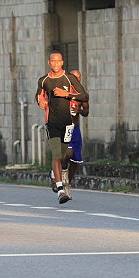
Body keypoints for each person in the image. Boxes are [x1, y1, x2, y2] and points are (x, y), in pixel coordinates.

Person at [36, 52, 88, 204]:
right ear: (49, 62)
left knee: (67, 155)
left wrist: (67, 94)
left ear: (62, 62)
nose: (56, 63)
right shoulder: (43, 80)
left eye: (58, 61)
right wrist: (40, 102)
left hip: (69, 124)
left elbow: (84, 96)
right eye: (53, 61)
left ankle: (59, 175)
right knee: (57, 153)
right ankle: (60, 189)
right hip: (52, 122)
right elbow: (39, 96)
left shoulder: (69, 78)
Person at [62, 69, 89, 198]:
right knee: (68, 153)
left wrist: (79, 110)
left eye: (78, 78)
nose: (76, 80)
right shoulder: (62, 92)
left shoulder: (83, 95)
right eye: (73, 77)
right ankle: (59, 173)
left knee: (75, 160)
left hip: (75, 128)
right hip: (64, 127)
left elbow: (86, 112)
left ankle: (67, 184)